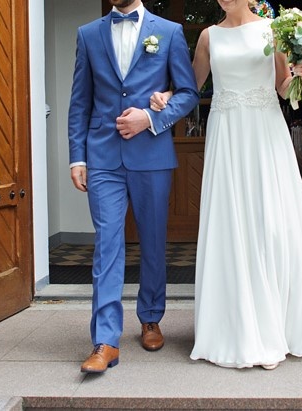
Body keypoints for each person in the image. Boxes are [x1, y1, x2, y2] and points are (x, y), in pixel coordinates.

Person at [151, 0, 302, 369]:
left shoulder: (272, 30)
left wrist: (300, 75)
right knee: (232, 223)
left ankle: (277, 325)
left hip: (264, 133)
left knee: (272, 221)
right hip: (227, 134)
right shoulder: (208, 37)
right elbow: (189, 87)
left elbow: (283, 89)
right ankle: (240, 329)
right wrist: (165, 96)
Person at [68, 0, 199, 374]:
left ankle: (151, 317)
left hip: (152, 155)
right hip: (102, 157)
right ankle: (105, 340)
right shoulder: (88, 35)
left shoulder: (169, 32)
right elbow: (80, 101)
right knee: (107, 244)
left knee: (153, 240)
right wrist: (77, 157)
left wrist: (151, 118)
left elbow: (188, 92)